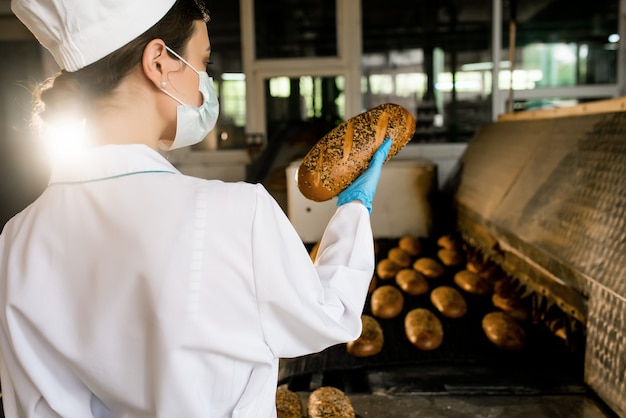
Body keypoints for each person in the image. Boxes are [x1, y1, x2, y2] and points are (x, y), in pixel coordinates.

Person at [0, 0, 392, 416]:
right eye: (202, 62)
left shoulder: (16, 239)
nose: (205, 82)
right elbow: (328, 317)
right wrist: (354, 208)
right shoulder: (236, 213)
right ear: (159, 62)